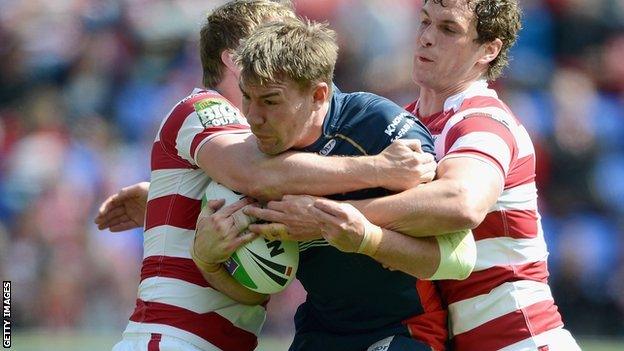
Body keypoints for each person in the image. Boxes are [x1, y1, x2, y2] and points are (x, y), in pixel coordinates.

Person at [99, 15, 479, 351]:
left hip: (401, 329)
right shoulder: (263, 158)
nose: (254, 117)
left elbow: (458, 257)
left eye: (270, 101)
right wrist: (206, 257)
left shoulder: (378, 127)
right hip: (319, 331)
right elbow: (259, 287)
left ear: (318, 94)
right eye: (248, 98)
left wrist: (355, 230)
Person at [247, 1, 582, 350]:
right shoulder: (403, 122)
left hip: (521, 338)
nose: (426, 38)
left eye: (448, 29)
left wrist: (322, 219)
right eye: (424, 22)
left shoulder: (483, 120)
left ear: (489, 49)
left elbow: (461, 202)